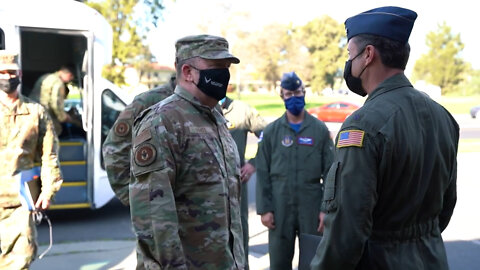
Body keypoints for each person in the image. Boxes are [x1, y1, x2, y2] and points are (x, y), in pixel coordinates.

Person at [310, 6, 459, 270]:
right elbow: (445, 207)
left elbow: (347, 228)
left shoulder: (362, 124)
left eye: (349, 54)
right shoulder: (442, 116)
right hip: (432, 258)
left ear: (367, 54)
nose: (348, 62)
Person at [130, 35, 245, 269]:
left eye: (226, 68)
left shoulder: (216, 118)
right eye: (216, 68)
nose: (224, 75)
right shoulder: (163, 121)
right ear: (187, 72)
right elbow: (154, 218)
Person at [255, 71, 334, 270]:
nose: (294, 98)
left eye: (297, 92)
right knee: (279, 262)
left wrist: (326, 210)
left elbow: (331, 173)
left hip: (312, 207)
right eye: (288, 94)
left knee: (313, 260)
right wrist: (265, 209)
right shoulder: (272, 131)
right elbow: (263, 172)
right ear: (282, 97)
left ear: (304, 93)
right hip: (280, 208)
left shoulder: (319, 130)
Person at [0, 51, 63, 269]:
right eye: (2, 72)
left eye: (12, 72)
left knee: (21, 259)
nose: (7, 78)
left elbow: (49, 155)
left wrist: (48, 191)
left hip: (20, 202)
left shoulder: (36, 113)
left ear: (20, 74)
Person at [102, 74, 176, 206]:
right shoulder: (149, 101)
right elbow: (114, 147)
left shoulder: (210, 105)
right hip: (164, 211)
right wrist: (131, 196)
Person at [220, 95, 267, 268]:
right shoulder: (196, 108)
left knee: (238, 232)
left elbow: (267, 135)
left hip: (235, 184)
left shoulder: (241, 110)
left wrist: (254, 163)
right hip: (204, 186)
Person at [29, 65, 75, 135]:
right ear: (69, 75)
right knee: (56, 131)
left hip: (33, 112)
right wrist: (63, 117)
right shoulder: (58, 83)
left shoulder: (45, 77)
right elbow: (56, 103)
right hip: (45, 114)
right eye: (71, 78)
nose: (70, 80)